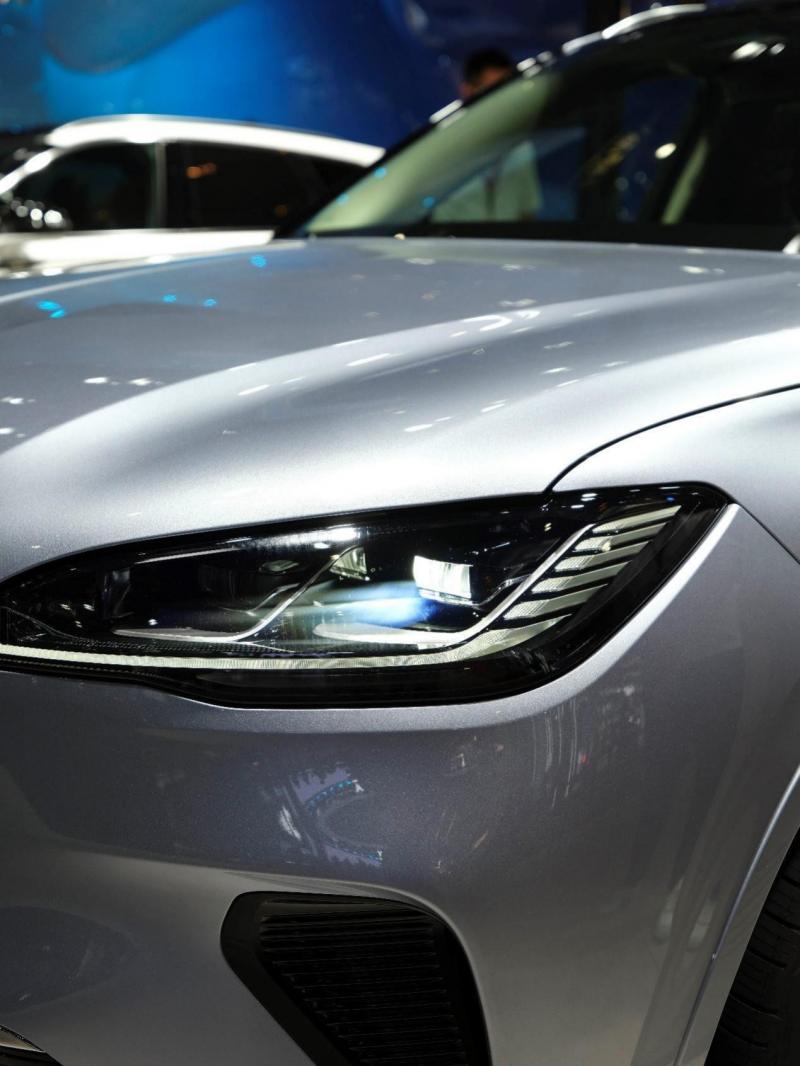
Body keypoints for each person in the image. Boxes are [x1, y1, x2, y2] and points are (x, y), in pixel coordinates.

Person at [432, 48, 542, 223]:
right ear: (467, 91)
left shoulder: (521, 147)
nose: (501, 101)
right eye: (492, 92)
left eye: (507, 91)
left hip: (507, 240)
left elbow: (527, 214)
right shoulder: (437, 150)